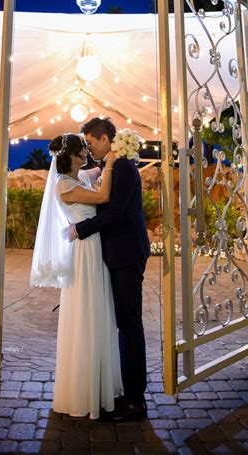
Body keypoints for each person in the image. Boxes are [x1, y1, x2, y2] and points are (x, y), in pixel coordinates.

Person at [30, 133, 123, 420]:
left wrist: (111, 156)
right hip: (84, 253)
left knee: (99, 311)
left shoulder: (80, 175)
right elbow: (103, 196)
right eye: (82, 148)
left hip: (93, 248)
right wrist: (111, 163)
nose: (86, 151)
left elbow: (95, 172)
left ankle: (99, 383)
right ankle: (83, 390)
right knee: (87, 312)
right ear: (71, 156)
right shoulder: (64, 185)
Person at [64, 117, 150, 421]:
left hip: (127, 254)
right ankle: (127, 392)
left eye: (90, 142)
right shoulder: (115, 165)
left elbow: (114, 212)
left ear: (103, 138)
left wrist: (81, 229)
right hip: (119, 253)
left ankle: (136, 399)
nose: (89, 147)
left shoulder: (124, 166)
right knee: (124, 324)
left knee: (130, 324)